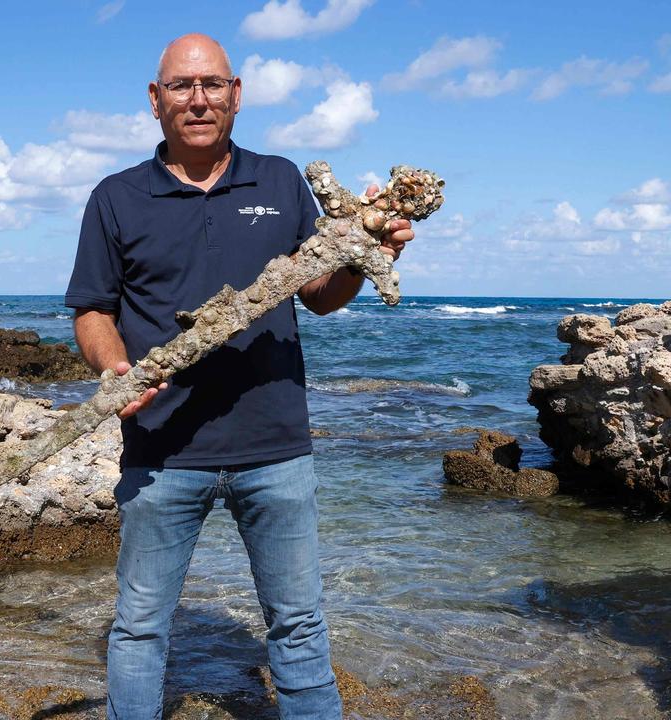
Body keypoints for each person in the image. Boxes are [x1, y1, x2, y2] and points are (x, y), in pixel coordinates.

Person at [63, 33, 414, 720]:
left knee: (300, 627)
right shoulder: (116, 197)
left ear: (236, 94)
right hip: (162, 453)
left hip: (276, 448)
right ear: (155, 100)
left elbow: (317, 291)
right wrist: (116, 370)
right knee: (138, 629)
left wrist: (360, 255)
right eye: (182, 87)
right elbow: (92, 309)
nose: (198, 99)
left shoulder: (281, 180)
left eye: (212, 85)